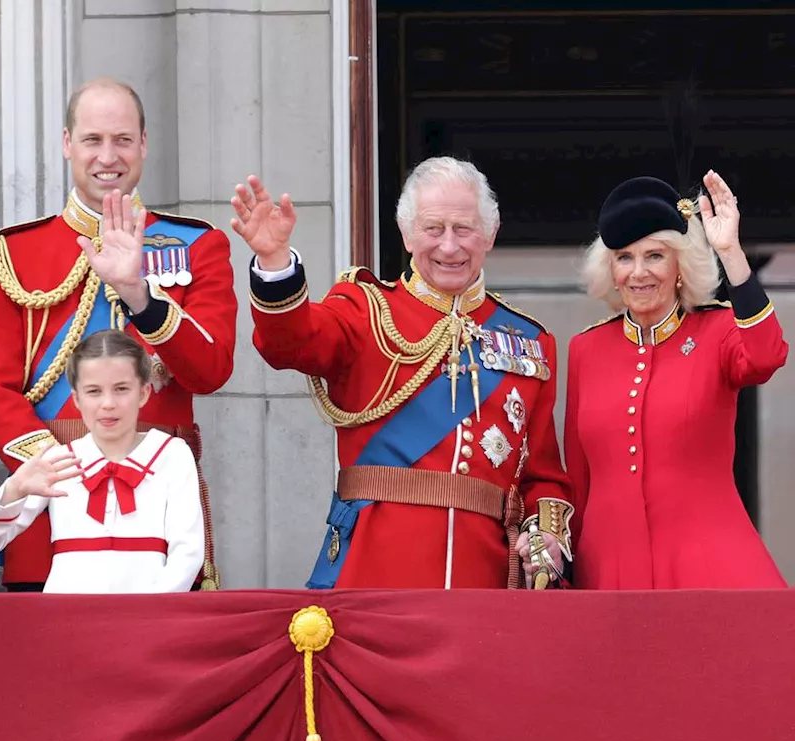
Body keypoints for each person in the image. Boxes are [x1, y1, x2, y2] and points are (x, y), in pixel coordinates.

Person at [233, 158, 573, 589]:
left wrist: (546, 535)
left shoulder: (530, 342)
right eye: (433, 229)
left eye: (464, 229)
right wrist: (275, 263)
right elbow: (291, 343)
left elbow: (543, 477)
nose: (449, 247)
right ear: (407, 233)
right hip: (374, 574)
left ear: (490, 233)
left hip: (482, 582)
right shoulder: (365, 309)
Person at [0, 77, 236, 592]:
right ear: (68, 143)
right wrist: (60, 473)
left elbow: (211, 370)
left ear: (144, 143)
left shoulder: (198, 245)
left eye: (122, 139)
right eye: (92, 140)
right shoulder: (13, 253)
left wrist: (141, 297)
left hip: (159, 505)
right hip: (52, 509)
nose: (107, 156)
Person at [565, 171, 788, 589]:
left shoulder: (717, 331)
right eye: (624, 257)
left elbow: (766, 355)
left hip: (708, 562)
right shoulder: (586, 350)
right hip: (609, 569)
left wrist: (731, 253)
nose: (638, 272)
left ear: (680, 265)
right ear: (610, 269)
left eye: (655, 255)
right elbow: (579, 478)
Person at [0, 330, 204, 593]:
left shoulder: (172, 454)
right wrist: (14, 489)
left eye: (121, 389)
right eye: (93, 391)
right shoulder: (59, 460)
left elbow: (188, 552)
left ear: (144, 393)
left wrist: (149, 615)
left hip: (148, 621)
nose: (108, 403)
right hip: (67, 621)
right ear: (77, 399)